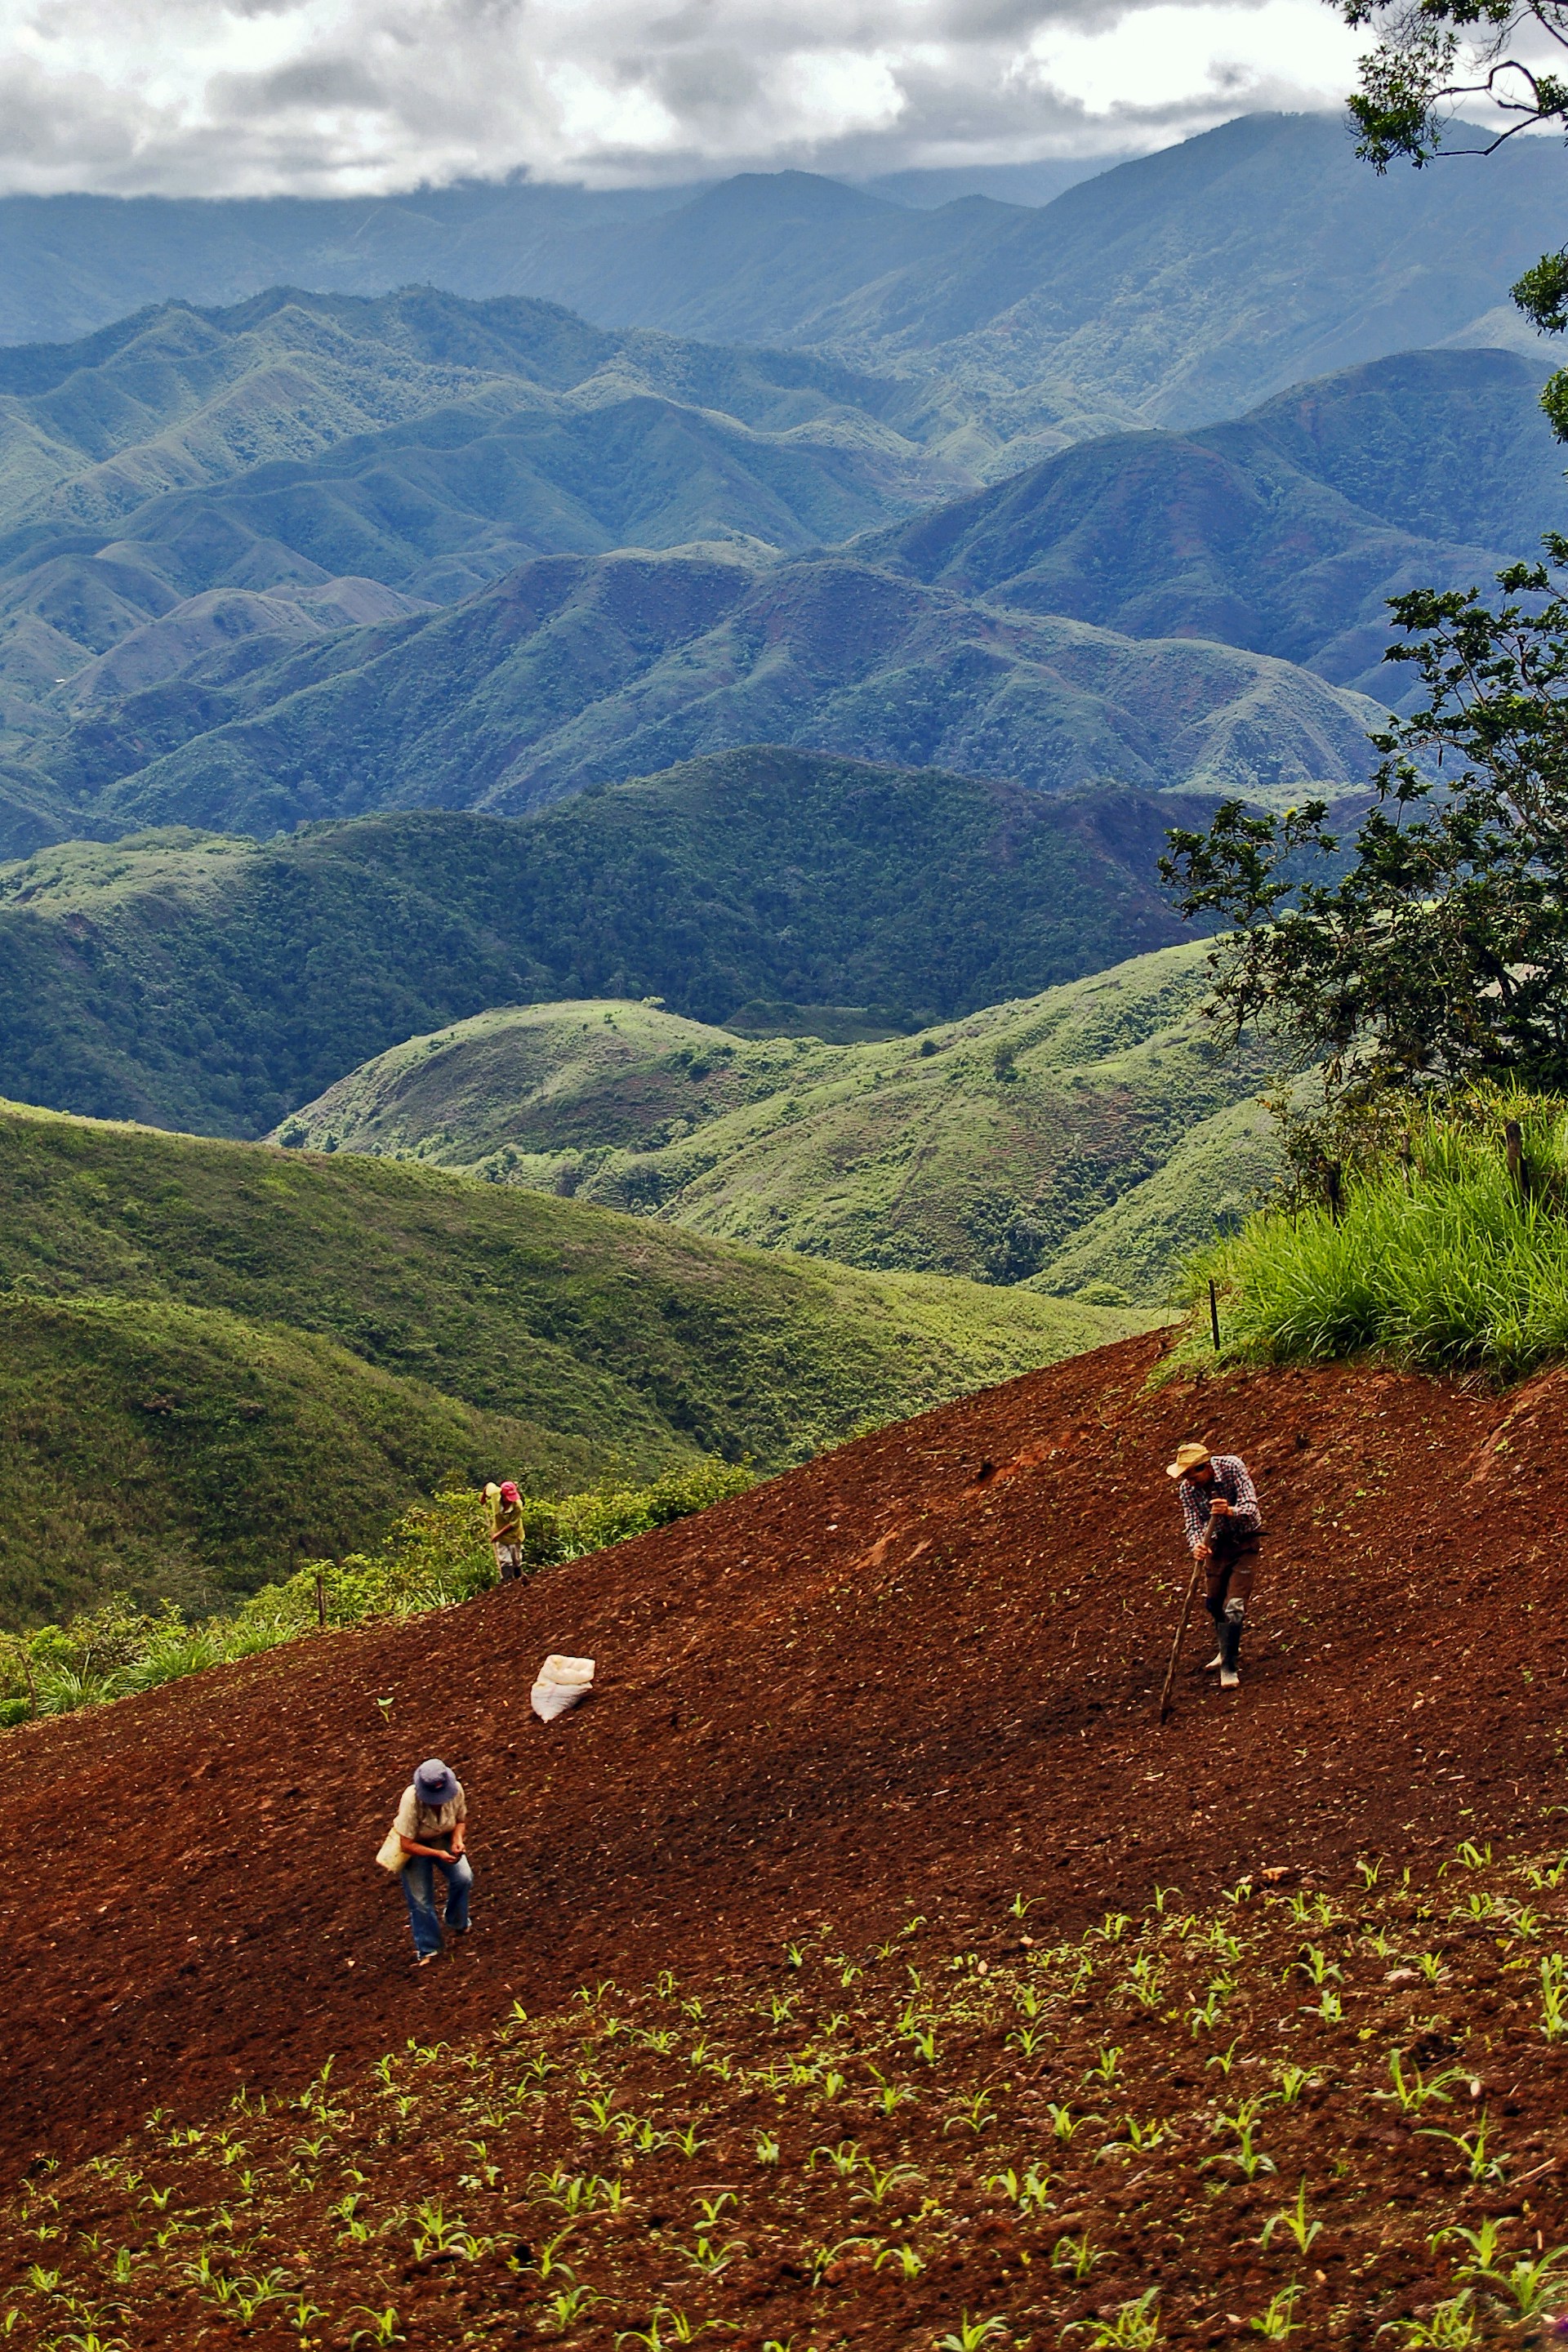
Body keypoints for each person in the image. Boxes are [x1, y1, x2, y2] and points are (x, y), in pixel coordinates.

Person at [1167, 1441, 1263, 1690]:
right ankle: (1225, 1648)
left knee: (1234, 1606)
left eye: (1192, 1474)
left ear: (1206, 1467)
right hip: (1217, 1547)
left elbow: (1252, 1510)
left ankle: (1229, 1666)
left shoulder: (1232, 1467)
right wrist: (1197, 1545)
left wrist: (1230, 1511)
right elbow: (1192, 1523)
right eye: (1185, 1476)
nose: (1190, 1481)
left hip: (1244, 1542)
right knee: (1214, 1602)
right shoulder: (1187, 1491)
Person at [394, 1757, 471, 1967]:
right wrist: (437, 1854)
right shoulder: (411, 1800)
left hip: (444, 1838)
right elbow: (406, 1844)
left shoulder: (456, 1790)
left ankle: (457, 1920)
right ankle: (429, 1948)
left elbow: (461, 1821)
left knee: (464, 1878)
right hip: (416, 1847)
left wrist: (457, 1840)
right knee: (420, 1900)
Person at [487, 1479, 525, 1581]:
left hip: (514, 1535)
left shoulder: (518, 1506)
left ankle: (519, 1579)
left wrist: (497, 1535)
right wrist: (483, 1498)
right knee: (505, 1560)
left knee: (516, 1559)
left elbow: (512, 1524)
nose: (511, 1501)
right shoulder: (495, 1494)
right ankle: (508, 1583)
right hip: (500, 1535)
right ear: (502, 1496)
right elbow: (489, 1486)